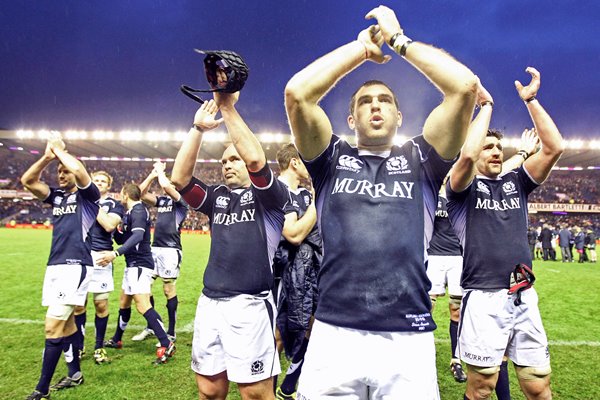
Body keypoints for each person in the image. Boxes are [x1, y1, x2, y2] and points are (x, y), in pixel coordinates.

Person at [284, 5, 477, 398]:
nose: (376, 104)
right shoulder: (330, 159)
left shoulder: (422, 159)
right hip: (335, 331)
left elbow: (464, 88)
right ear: (351, 120)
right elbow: (298, 95)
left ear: (399, 116)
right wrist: (360, 49)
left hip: (407, 336)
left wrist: (400, 41)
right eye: (366, 101)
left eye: (385, 100)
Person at [446, 68, 564, 400]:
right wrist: (486, 107)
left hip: (524, 295)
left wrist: (531, 101)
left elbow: (554, 148)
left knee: (538, 386)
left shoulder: (517, 183)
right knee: (482, 388)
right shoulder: (460, 191)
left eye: (499, 146)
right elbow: (467, 155)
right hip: (483, 297)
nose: (496, 151)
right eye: (489, 147)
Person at [170, 92, 289, 400]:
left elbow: (255, 160)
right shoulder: (216, 198)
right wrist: (197, 130)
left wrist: (226, 107)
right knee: (209, 391)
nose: (227, 165)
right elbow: (179, 179)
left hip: (249, 305)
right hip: (210, 303)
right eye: (223, 161)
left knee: (255, 394)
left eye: (233, 159)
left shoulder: (270, 196)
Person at [428, 128, 538, 387]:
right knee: (427, 307)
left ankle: (456, 359)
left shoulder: (477, 185)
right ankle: (418, 352)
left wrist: (522, 153)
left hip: (459, 257)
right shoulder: (444, 188)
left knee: (456, 310)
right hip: (433, 257)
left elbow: (500, 169)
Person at [21, 134, 100, 400]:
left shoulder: (89, 197)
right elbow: (28, 181)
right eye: (59, 171)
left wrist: (60, 151)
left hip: (75, 266)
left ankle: (41, 389)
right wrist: (47, 156)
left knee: (51, 328)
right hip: (54, 266)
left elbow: (78, 168)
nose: (62, 174)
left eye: (65, 170)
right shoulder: (55, 197)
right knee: (65, 326)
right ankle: (75, 373)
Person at [97, 184, 175, 365]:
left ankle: (166, 342)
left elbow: (138, 236)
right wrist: (117, 233)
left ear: (125, 194)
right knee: (124, 302)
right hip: (132, 265)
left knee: (142, 306)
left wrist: (115, 253)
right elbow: (125, 238)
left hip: (140, 265)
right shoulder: (131, 213)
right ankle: (117, 338)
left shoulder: (139, 210)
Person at [272, 143, 322, 400]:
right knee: (279, 335)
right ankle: (267, 391)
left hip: (307, 272)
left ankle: (288, 386)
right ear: (294, 162)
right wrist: (315, 203)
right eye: (305, 160)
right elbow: (294, 234)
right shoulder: (276, 190)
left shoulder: (301, 193)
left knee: (311, 328)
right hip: (280, 274)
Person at [132, 161, 188, 344]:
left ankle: (171, 332)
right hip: (153, 248)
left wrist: (160, 172)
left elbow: (165, 184)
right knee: (144, 288)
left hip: (171, 250)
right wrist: (152, 175)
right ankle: (151, 325)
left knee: (167, 288)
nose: (167, 187)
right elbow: (138, 194)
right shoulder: (162, 201)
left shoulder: (181, 202)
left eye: (171, 185)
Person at [72, 171, 124, 365]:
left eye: (103, 182)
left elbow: (109, 225)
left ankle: (99, 347)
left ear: (108, 186)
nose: (99, 183)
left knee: (100, 304)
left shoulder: (115, 204)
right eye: (96, 181)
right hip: (80, 256)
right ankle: (78, 345)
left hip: (102, 257)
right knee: (79, 305)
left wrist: (92, 202)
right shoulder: (78, 200)